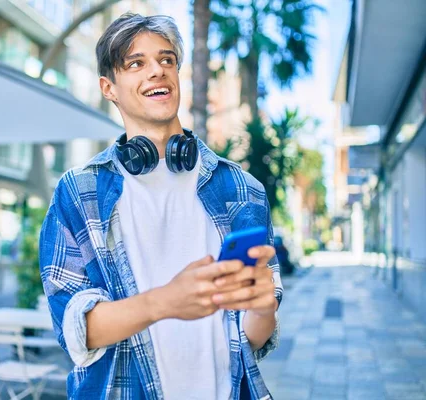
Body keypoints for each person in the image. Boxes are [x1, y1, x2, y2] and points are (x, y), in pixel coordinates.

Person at [39, 13, 283, 399]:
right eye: (136, 63)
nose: (157, 71)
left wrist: (263, 308)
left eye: (166, 60)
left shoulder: (242, 188)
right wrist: (164, 302)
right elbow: (75, 330)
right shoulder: (78, 192)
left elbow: (251, 339)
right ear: (109, 88)